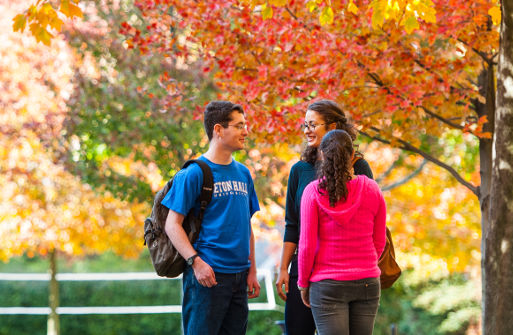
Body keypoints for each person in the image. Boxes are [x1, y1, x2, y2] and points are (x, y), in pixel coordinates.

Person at [161, 101, 261, 335]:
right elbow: (172, 225)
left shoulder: (244, 173)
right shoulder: (194, 173)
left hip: (239, 277)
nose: (246, 131)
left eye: (245, 125)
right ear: (218, 130)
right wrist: (196, 263)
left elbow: (246, 226)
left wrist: (252, 271)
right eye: (239, 126)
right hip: (207, 276)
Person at [275, 99, 374, 335]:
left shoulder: (358, 168)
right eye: (305, 125)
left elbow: (370, 221)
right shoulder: (300, 170)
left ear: (333, 127)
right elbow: (292, 225)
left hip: (344, 272)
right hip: (304, 268)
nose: (307, 130)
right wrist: (283, 269)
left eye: (313, 124)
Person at [297, 130, 386, 335]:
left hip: (327, 285)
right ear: (352, 155)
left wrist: (303, 283)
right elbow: (379, 241)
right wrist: (365, 264)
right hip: (367, 282)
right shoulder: (372, 189)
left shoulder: (313, 192)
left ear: (322, 155)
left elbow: (307, 246)